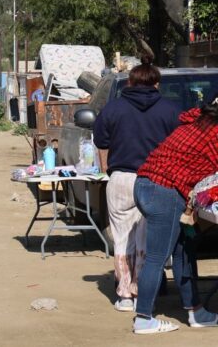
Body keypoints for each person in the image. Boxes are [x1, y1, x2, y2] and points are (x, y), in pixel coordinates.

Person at [92, 60, 181, 313]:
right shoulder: (171, 110)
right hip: (157, 180)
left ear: (130, 82)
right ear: (156, 83)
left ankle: (124, 296)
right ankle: (143, 292)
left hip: (121, 178)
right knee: (148, 240)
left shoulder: (113, 108)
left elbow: (101, 140)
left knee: (122, 238)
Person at [131, 95, 218, 334]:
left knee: (184, 249)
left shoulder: (197, 121)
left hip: (146, 185)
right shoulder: (214, 134)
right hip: (164, 191)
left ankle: (195, 310)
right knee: (157, 258)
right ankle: (143, 318)